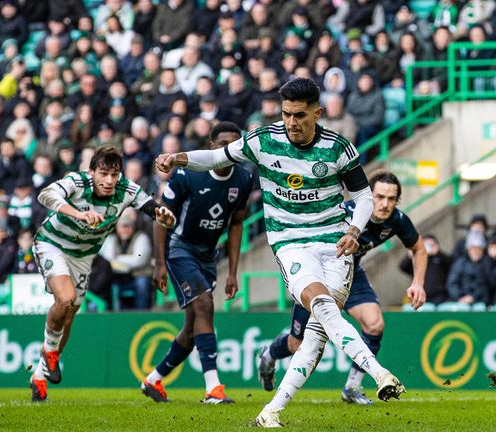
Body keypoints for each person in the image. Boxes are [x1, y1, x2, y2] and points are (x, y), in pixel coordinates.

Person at [154, 78, 405, 427]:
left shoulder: (337, 148)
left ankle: (270, 413)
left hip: (335, 242)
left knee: (315, 337)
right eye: (286, 114)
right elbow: (215, 156)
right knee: (321, 305)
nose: (291, 123)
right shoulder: (263, 141)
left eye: (300, 115)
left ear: (317, 113)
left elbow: (363, 196)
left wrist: (353, 229)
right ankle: (380, 374)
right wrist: (176, 157)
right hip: (290, 241)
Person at [257, 172, 427, 404]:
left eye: (391, 198)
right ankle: (270, 354)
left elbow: (418, 248)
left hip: (351, 275)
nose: (385, 204)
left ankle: (352, 387)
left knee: (375, 324)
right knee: (297, 344)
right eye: (379, 197)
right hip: (319, 275)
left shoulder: (396, 220)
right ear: (369, 195)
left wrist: (417, 283)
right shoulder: (344, 213)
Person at [29, 146, 176, 402]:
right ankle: (50, 355)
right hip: (53, 244)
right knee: (65, 298)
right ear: (92, 172)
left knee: (70, 313)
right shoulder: (77, 181)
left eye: (114, 174)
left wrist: (162, 214)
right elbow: (46, 194)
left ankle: (40, 375)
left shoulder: (126, 189)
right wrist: (79, 213)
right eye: (103, 173)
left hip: (84, 257)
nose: (109, 180)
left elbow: (149, 206)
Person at [141, 122, 252, 404]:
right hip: (180, 249)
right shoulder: (186, 173)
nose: (230, 150)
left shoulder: (244, 177)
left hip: (209, 256)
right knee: (204, 305)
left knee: (192, 327)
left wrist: (233, 272)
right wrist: (159, 263)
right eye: (223, 144)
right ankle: (213, 389)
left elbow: (237, 224)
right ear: (211, 146)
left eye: (235, 144)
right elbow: (161, 217)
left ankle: (154, 379)